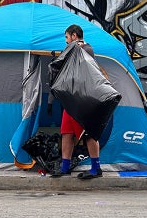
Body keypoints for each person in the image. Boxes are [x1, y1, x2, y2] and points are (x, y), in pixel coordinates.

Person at [50, 24, 102, 179]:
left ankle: (96, 168)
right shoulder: (72, 49)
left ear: (74, 35)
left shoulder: (87, 49)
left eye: (67, 37)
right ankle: (65, 167)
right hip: (70, 99)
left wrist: (76, 48)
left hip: (83, 100)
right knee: (66, 133)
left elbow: (84, 61)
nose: (65, 41)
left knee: (89, 134)